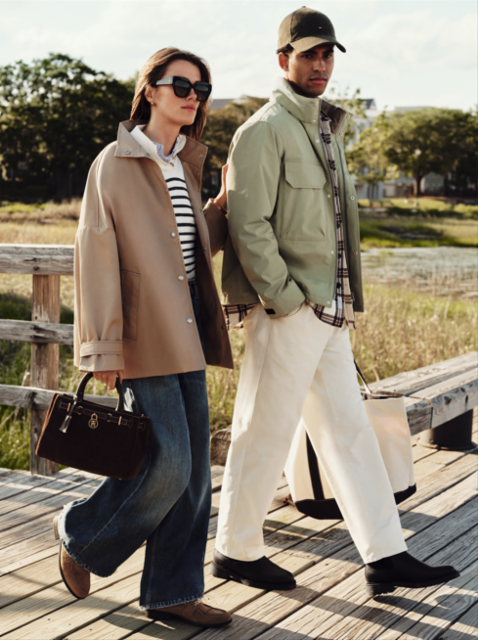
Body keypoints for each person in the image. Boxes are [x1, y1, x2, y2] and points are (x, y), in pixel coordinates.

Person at [212, 7, 460, 596]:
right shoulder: (262, 130)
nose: (320, 64)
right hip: (289, 310)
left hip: (330, 311)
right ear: (283, 60)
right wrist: (285, 298)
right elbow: (249, 225)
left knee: (350, 433)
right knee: (263, 429)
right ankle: (236, 550)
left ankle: (385, 554)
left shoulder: (328, 130)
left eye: (327, 54)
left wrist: (337, 302)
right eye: (309, 54)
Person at [55, 47, 233, 628]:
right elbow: (95, 254)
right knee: (169, 465)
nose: (192, 96)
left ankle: (172, 591)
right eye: (181, 85)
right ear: (150, 90)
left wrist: (222, 206)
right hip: (140, 336)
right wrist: (103, 347)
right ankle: (81, 532)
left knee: (195, 476)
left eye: (201, 89)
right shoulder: (115, 161)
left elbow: (187, 250)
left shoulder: (185, 163)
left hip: (188, 331)